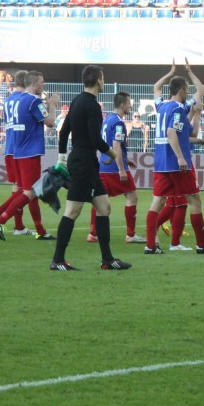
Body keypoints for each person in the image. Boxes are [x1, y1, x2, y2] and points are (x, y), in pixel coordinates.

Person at [50, 65, 130, 271]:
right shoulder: (93, 105)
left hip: (84, 162)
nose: (104, 81)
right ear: (98, 81)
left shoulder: (77, 100)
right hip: (83, 163)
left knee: (104, 207)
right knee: (72, 211)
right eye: (103, 78)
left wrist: (62, 158)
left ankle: (107, 260)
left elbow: (63, 132)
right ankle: (57, 260)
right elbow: (95, 140)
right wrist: (113, 154)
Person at [144, 59, 204, 255]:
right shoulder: (179, 109)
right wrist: (180, 158)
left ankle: (150, 246)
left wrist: (171, 74)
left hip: (161, 162)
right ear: (181, 91)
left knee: (158, 202)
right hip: (177, 164)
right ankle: (201, 245)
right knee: (194, 200)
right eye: (186, 90)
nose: (188, 92)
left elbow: (156, 87)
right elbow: (172, 132)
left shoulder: (161, 106)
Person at [0, 71, 59, 242]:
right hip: (30, 151)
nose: (43, 85)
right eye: (41, 82)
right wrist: (52, 105)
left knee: (25, 190)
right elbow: (50, 122)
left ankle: (35, 229)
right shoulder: (34, 101)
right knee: (30, 191)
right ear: (33, 83)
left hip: (16, 149)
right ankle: (0, 219)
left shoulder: (12, 100)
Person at [87, 91, 145, 244]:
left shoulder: (107, 119)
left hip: (103, 166)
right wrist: (121, 169)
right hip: (114, 169)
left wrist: (126, 159)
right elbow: (116, 145)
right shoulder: (119, 123)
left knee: (99, 199)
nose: (130, 106)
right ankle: (131, 235)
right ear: (122, 104)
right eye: (129, 103)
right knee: (132, 196)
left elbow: (107, 143)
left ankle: (93, 233)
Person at [0, 70, 39, 237]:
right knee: (28, 190)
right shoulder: (26, 99)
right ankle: (0, 213)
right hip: (23, 149)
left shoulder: (8, 100)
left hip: (10, 148)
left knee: (19, 188)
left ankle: (19, 226)